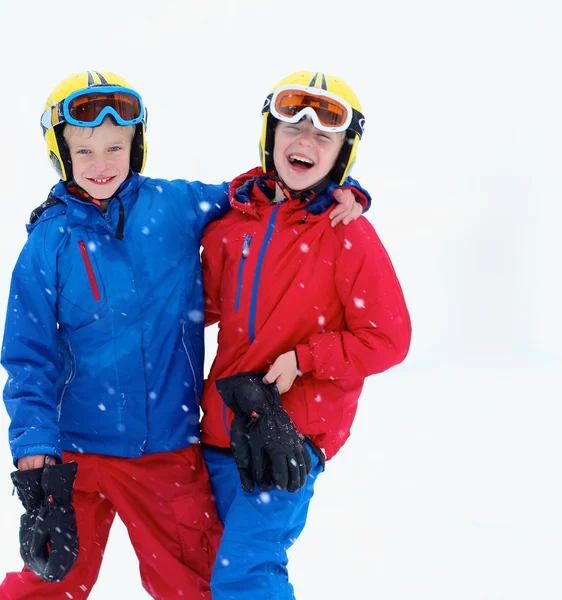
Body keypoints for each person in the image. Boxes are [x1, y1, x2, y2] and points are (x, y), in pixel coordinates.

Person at [0, 70, 368, 600]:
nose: (101, 165)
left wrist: (342, 190)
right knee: (50, 582)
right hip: (74, 455)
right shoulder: (48, 243)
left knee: (194, 587)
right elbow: (28, 356)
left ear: (137, 145)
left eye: (115, 147)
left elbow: (260, 194)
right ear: (62, 154)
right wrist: (34, 445)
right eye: (85, 152)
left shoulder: (174, 206)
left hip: (165, 453)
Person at [198, 70, 412, 599]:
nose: (305, 142)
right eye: (292, 127)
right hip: (222, 429)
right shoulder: (233, 225)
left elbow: (388, 337)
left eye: (323, 135)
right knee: (211, 569)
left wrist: (307, 357)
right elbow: (194, 308)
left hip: (288, 436)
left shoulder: (348, 234)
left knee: (245, 573)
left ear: (342, 154)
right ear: (270, 137)